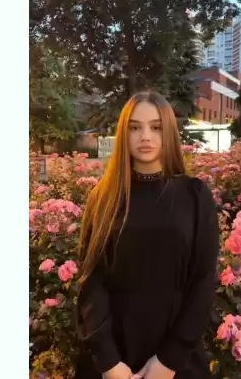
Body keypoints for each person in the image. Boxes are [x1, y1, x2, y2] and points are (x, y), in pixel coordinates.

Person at [75, 91, 220, 379]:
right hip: (113, 362)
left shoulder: (194, 196)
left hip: (177, 363)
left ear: (169, 133)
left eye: (156, 127)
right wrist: (108, 362)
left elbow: (203, 282)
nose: (145, 137)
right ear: (123, 134)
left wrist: (169, 361)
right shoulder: (103, 198)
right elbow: (91, 283)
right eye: (135, 128)